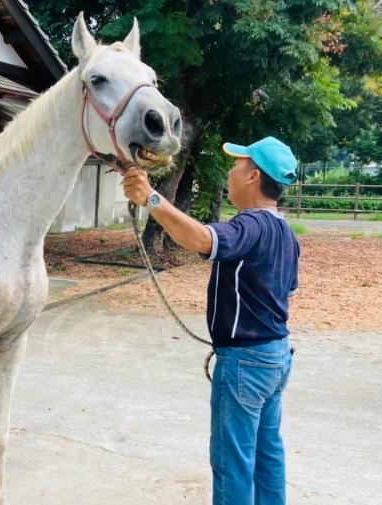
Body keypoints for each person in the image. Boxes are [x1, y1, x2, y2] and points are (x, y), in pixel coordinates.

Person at [123, 136, 300, 505]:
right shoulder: (285, 232)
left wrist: (152, 198)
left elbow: (202, 239)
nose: (231, 172)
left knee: (232, 463)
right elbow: (288, 291)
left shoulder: (251, 224)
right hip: (275, 357)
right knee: (267, 455)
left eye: (237, 165)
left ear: (253, 177)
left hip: (245, 364)